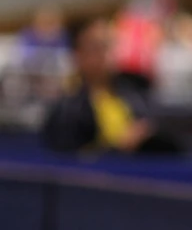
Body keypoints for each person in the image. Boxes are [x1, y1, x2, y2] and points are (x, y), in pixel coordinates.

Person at [41, 17, 181, 155]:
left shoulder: (135, 90)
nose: (106, 54)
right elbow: (69, 162)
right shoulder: (66, 110)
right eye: (97, 47)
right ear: (78, 55)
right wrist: (117, 148)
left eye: (109, 45)